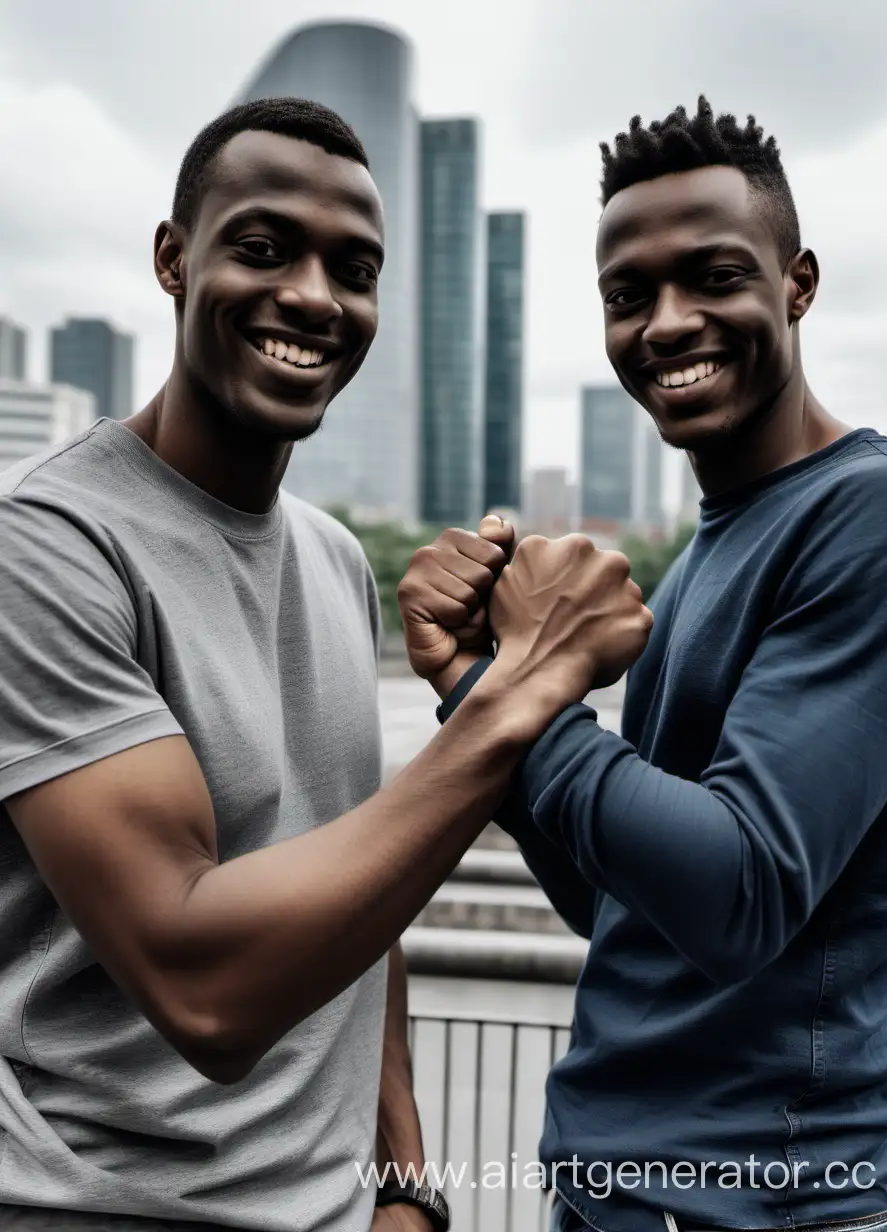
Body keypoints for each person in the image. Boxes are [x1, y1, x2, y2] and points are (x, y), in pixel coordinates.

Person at [0, 98, 652, 1232]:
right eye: (262, 248)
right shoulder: (49, 548)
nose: (312, 294)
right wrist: (519, 694)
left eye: (354, 269)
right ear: (172, 258)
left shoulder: (332, 555)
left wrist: (404, 1178)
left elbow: (359, 892)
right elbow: (200, 984)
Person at [401, 97, 887, 1232]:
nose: (667, 322)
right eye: (627, 295)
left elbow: (738, 890)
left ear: (798, 283)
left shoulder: (878, 520)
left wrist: (525, 695)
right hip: (617, 1188)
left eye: (714, 276)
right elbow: (619, 903)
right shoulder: (709, 546)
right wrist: (471, 687)